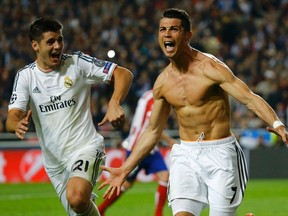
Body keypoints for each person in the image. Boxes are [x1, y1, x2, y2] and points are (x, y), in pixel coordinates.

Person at [98, 8, 288, 216]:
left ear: (188, 35)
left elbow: (249, 98)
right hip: (186, 155)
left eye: (174, 29)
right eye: (163, 29)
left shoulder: (210, 68)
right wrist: (125, 169)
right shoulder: (162, 83)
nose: (167, 34)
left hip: (221, 154)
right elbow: (152, 131)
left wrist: (277, 124)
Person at [5, 17, 133, 216]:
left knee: (77, 197)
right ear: (35, 45)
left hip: (86, 148)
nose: (58, 46)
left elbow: (123, 74)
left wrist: (114, 102)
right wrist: (16, 123)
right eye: (50, 42)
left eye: (60, 40)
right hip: (55, 165)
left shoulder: (77, 63)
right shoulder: (26, 77)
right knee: (80, 210)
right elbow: (12, 117)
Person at [98, 89, 178, 216]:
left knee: (164, 176)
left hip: (150, 148)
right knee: (125, 183)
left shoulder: (148, 95)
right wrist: (169, 140)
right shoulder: (154, 100)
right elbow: (152, 126)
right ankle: (100, 210)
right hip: (138, 147)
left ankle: (158, 214)